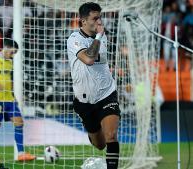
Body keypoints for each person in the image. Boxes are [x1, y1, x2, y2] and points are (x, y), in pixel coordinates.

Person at [67, 2, 120, 169]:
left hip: (106, 93)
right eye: (95, 18)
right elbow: (89, 59)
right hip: (84, 100)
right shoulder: (74, 39)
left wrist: (98, 36)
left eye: (100, 17)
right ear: (83, 21)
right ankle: (94, 132)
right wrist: (98, 37)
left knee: (111, 135)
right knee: (100, 144)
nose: (99, 22)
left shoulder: (102, 36)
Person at [0, 39, 36, 163]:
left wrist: (14, 96)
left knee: (19, 122)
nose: (12, 55)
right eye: (12, 52)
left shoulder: (9, 62)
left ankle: (21, 154)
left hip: (9, 99)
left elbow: (9, 80)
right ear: (6, 47)